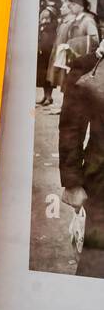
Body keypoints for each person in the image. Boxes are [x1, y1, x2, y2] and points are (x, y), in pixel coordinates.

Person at [56, 45, 104, 276]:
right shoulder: (89, 65)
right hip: (101, 185)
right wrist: (72, 182)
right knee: (96, 268)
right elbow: (71, 128)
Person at [48, 0, 99, 111]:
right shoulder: (76, 20)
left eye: (75, 5)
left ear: (81, 7)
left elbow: (94, 39)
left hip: (83, 61)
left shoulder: (88, 20)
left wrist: (73, 44)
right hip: (74, 59)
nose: (72, 7)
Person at [38, 0, 60, 106]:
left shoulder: (52, 27)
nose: (44, 19)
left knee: (48, 76)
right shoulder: (42, 27)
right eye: (43, 17)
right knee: (42, 75)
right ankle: (45, 95)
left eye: (46, 17)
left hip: (49, 53)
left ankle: (49, 96)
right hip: (42, 53)